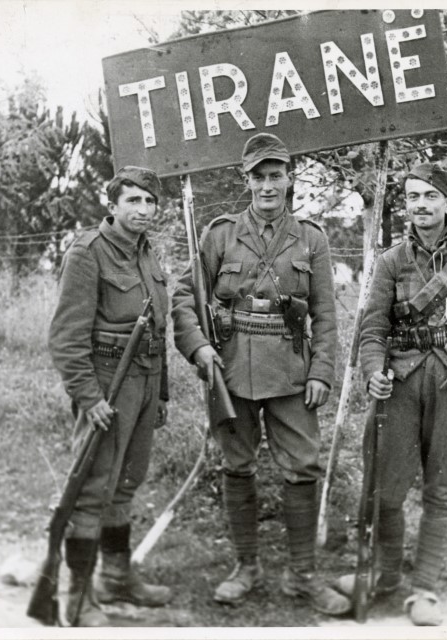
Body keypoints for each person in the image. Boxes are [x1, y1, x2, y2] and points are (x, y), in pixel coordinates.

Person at [172, 133, 350, 616]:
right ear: (246, 180)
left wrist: (322, 372)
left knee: (303, 466)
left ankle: (302, 575)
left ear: (289, 179)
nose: (268, 186)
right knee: (237, 464)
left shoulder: (311, 238)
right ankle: (246, 567)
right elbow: (186, 297)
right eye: (259, 177)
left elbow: (325, 314)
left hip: (292, 368)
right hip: (231, 368)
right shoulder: (220, 234)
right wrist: (199, 347)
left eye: (276, 176)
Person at [338, 162, 447, 625]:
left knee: (441, 492)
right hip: (400, 385)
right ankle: (386, 577)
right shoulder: (391, 261)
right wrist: (373, 371)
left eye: (430, 195)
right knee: (385, 490)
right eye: (413, 196)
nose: (421, 205)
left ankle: (425, 591)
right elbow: (373, 328)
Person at [48, 166, 173, 626]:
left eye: (149, 201)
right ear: (112, 205)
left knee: (126, 483)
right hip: (107, 383)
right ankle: (77, 598)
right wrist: (88, 397)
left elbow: (158, 329)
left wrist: (161, 394)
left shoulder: (147, 253)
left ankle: (116, 578)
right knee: (92, 488)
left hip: (144, 382)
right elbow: (66, 337)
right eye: (133, 200)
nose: (143, 209)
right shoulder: (88, 252)